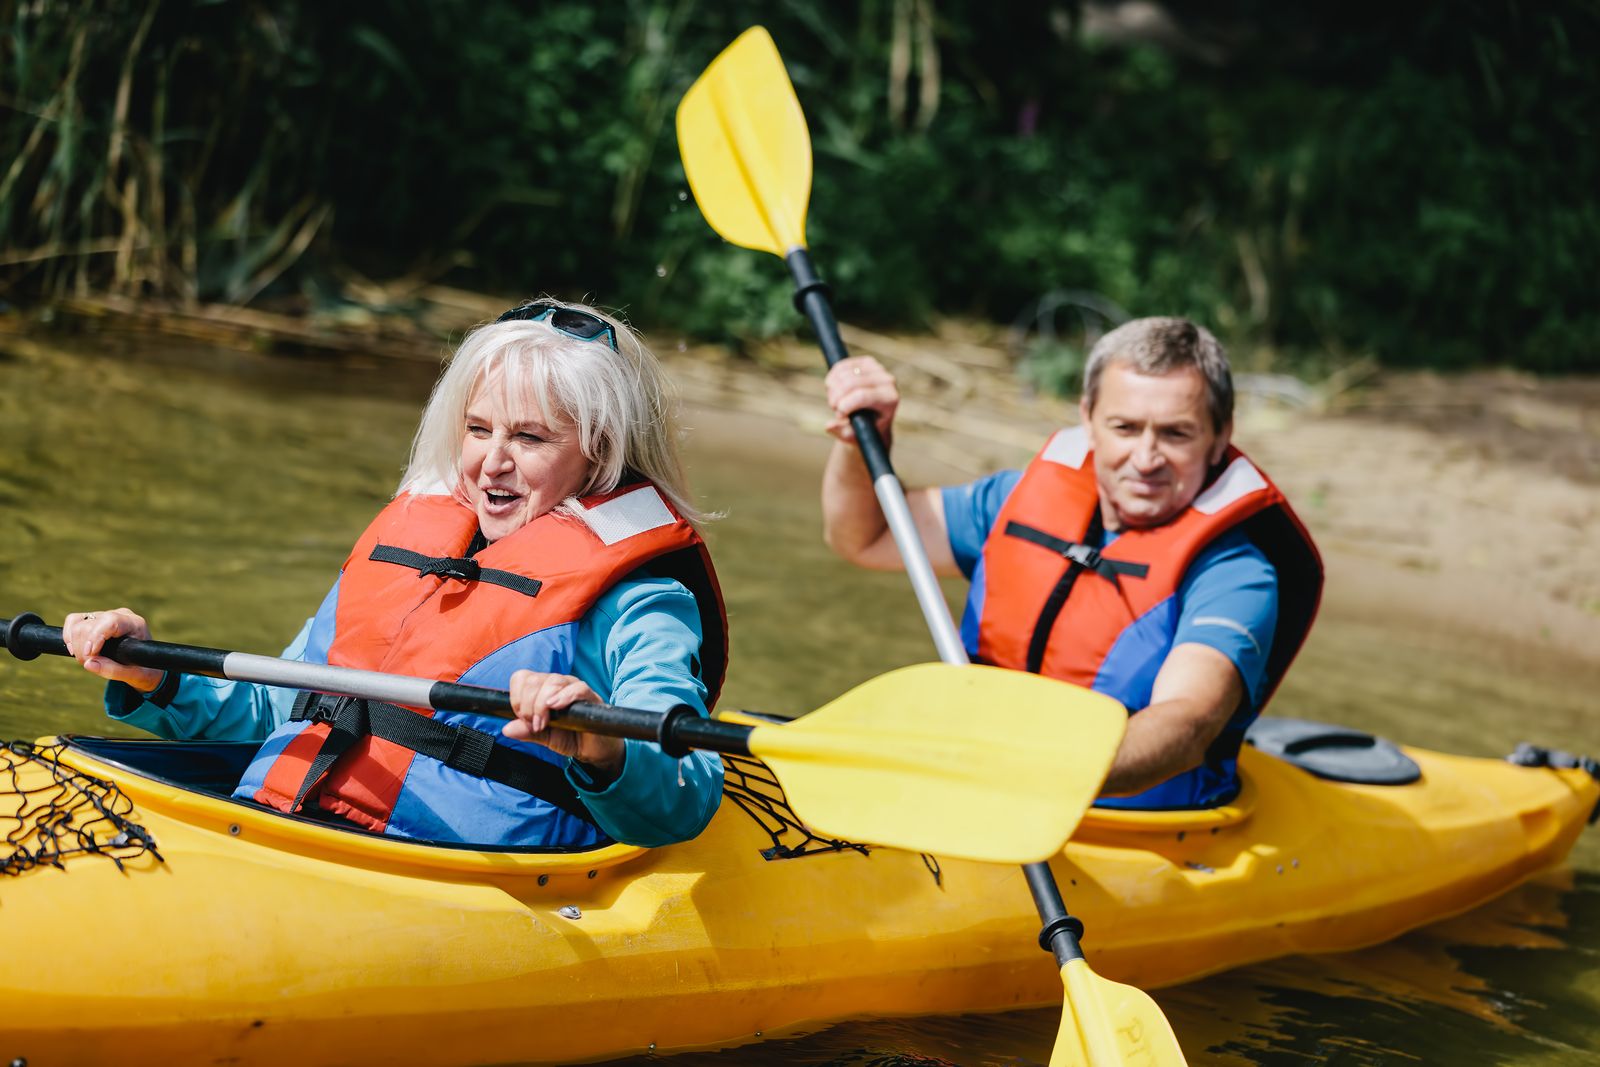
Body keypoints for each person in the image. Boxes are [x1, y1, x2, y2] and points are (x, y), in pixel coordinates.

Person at [62, 299, 729, 848]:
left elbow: (687, 787)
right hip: (274, 827)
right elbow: (282, 708)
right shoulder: (410, 550)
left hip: (444, 879)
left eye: (529, 438)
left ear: (598, 454)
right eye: (477, 428)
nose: (491, 461)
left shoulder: (642, 599)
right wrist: (154, 675)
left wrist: (605, 747)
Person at [821, 317, 1321, 809]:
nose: (1145, 458)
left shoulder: (1234, 572)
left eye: (1176, 434)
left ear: (1219, 435)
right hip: (976, 787)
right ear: (1088, 418)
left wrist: (1035, 777)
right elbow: (866, 537)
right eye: (1125, 428)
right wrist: (859, 444)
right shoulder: (1012, 500)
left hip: (1131, 829)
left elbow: (1187, 723)